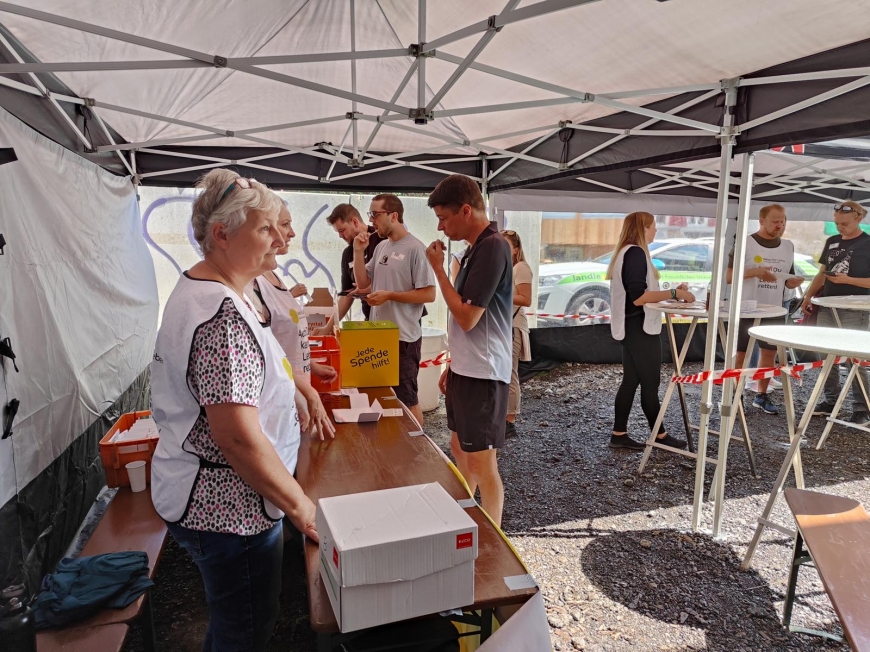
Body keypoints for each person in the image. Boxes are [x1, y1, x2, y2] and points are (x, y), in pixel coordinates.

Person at [149, 169, 319, 652]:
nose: (280, 238)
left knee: (237, 621)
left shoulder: (208, 290)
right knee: (243, 632)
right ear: (222, 235)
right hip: (230, 510)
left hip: (208, 495)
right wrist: (300, 505)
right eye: (266, 228)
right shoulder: (221, 314)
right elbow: (238, 437)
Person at [425, 175, 511, 526]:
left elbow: (466, 317)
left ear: (465, 210)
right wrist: (454, 364)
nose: (441, 227)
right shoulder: (477, 248)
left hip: (485, 372)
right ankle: (467, 516)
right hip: (468, 368)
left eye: (444, 218)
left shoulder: (492, 246)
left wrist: (438, 272)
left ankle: (492, 538)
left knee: (481, 462)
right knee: (460, 449)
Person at [249, 200, 337, 439]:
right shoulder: (253, 285)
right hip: (280, 406)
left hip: (294, 397)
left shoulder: (271, 272)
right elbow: (267, 358)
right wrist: (308, 391)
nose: (291, 233)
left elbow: (282, 343)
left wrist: (310, 367)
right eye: (285, 224)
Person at [607, 212, 692, 451]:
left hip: (632, 327)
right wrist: (675, 294)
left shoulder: (628, 252)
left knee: (631, 381)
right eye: (654, 227)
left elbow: (640, 293)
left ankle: (619, 433)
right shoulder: (636, 253)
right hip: (640, 328)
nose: (656, 231)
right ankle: (660, 436)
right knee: (650, 384)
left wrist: (672, 291)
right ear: (644, 228)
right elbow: (639, 297)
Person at [353, 194, 436, 427]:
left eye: (375, 214)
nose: (371, 220)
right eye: (370, 214)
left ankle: (419, 451)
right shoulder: (380, 247)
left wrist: (390, 295)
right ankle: (394, 449)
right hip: (380, 335)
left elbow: (429, 294)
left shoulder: (415, 248)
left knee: (407, 399)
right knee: (384, 396)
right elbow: (362, 284)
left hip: (403, 338)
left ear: (393, 215)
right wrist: (358, 252)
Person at [726, 204, 803, 415]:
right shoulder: (745, 243)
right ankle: (735, 394)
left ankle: (761, 395)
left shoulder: (788, 246)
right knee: (740, 354)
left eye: (783, 221)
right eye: (775, 221)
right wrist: (755, 272)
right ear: (761, 221)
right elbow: (729, 277)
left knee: (769, 354)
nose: (780, 225)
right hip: (746, 308)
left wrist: (793, 283)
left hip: (774, 309)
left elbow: (786, 280)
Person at [801, 200, 870, 424]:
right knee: (825, 356)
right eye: (837, 223)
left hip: (854, 309)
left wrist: (848, 280)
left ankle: (862, 407)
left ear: (859, 218)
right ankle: (830, 399)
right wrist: (808, 295)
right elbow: (822, 272)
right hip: (828, 306)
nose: (840, 227)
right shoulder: (832, 241)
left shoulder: (868, 243)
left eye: (845, 224)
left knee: (854, 358)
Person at [313, 203, 385, 335]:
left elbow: (400, 281)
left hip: (396, 321)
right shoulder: (348, 254)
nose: (340, 236)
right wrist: (327, 328)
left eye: (342, 230)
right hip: (371, 320)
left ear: (354, 221)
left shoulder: (383, 240)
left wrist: (368, 288)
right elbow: (347, 295)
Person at [500, 230, 532, 438]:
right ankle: (503, 417)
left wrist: (499, 293)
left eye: (506, 246)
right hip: (504, 325)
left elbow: (526, 299)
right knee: (503, 372)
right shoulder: (507, 268)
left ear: (516, 250)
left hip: (513, 326)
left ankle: (509, 421)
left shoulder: (521, 267)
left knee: (510, 373)